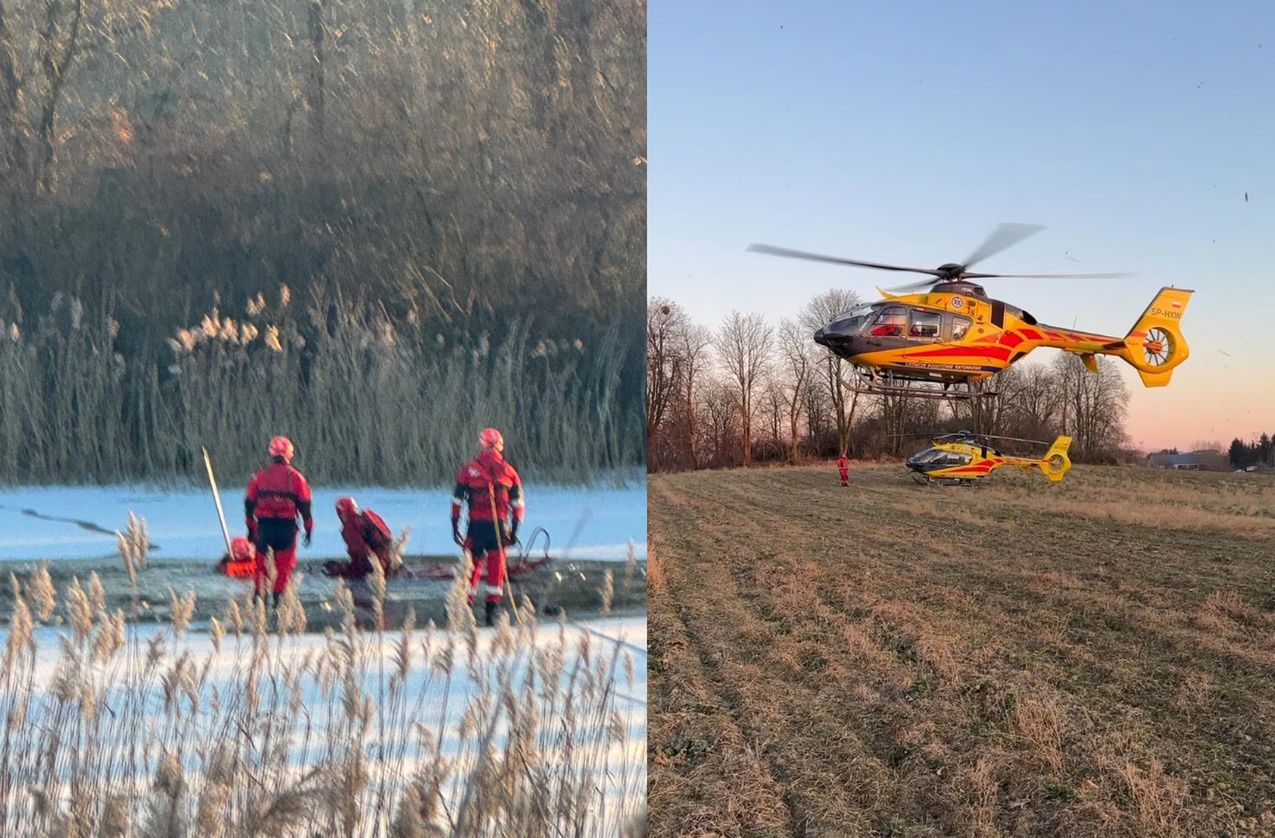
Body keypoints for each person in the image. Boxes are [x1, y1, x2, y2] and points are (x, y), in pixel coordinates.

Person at [451, 427, 524, 626]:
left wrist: (455, 525)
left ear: (482, 444)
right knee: (497, 567)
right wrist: (514, 530)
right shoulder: (509, 471)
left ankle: (464, 606)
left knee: (471, 567)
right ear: (500, 445)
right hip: (498, 527)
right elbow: (517, 506)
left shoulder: (468, 469)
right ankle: (491, 612)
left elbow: (457, 502)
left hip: (475, 526)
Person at [245, 435, 313, 605]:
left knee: (261, 566)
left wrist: (251, 528)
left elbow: (249, 504)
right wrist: (309, 529)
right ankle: (278, 601)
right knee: (284, 567)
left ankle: (259, 601)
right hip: (286, 528)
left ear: (272, 453)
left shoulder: (260, 476)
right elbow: (305, 506)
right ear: (289, 453)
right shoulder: (297, 478)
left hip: (264, 527)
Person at [323, 496, 395, 578]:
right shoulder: (367, 516)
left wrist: (341, 570)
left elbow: (363, 558)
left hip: (374, 570)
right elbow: (388, 538)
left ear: (342, 513)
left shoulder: (350, 528)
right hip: (387, 562)